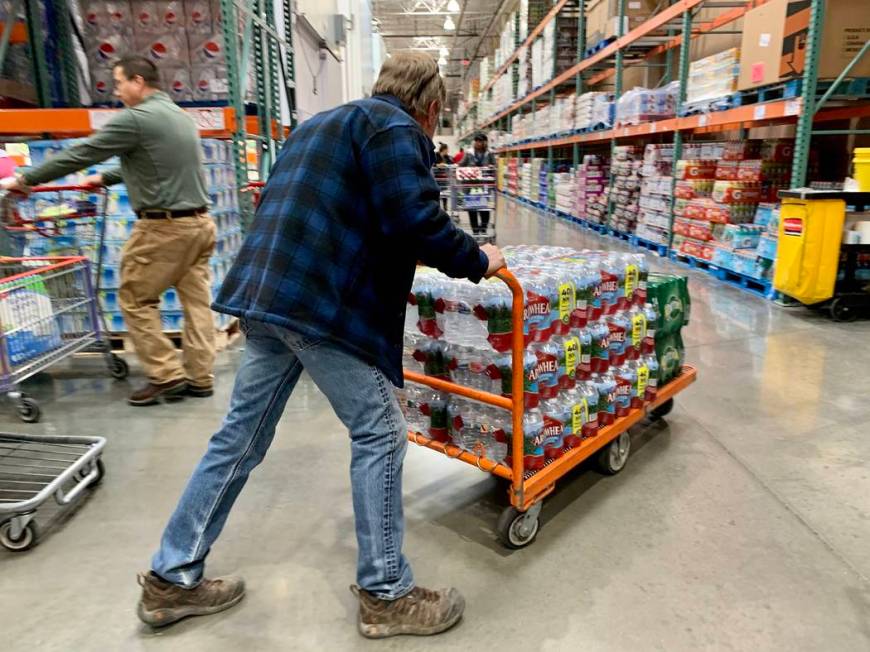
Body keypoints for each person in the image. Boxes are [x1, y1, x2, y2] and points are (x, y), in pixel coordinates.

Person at [136, 52, 506, 638]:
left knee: (239, 437)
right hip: (318, 306)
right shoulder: (396, 128)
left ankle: (171, 577)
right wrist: (478, 260)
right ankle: (387, 594)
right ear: (432, 109)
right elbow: (412, 218)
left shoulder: (318, 125)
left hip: (267, 294)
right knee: (381, 431)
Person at [0, 56, 216, 407]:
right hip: (200, 225)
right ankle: (199, 377)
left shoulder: (136, 119)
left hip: (165, 229)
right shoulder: (179, 117)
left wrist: (26, 179)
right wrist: (107, 177)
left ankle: (166, 375)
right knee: (196, 303)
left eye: (118, 84)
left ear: (138, 81)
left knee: (134, 297)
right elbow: (155, 161)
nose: (116, 93)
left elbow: (83, 152)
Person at [460, 133, 495, 236]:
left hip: (484, 186)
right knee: (472, 209)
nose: (478, 143)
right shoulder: (469, 153)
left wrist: (490, 167)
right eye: (476, 141)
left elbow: (494, 167)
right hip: (471, 186)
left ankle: (483, 230)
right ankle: (475, 231)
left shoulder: (489, 153)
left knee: (484, 209)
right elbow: (462, 164)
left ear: (485, 142)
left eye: (480, 141)